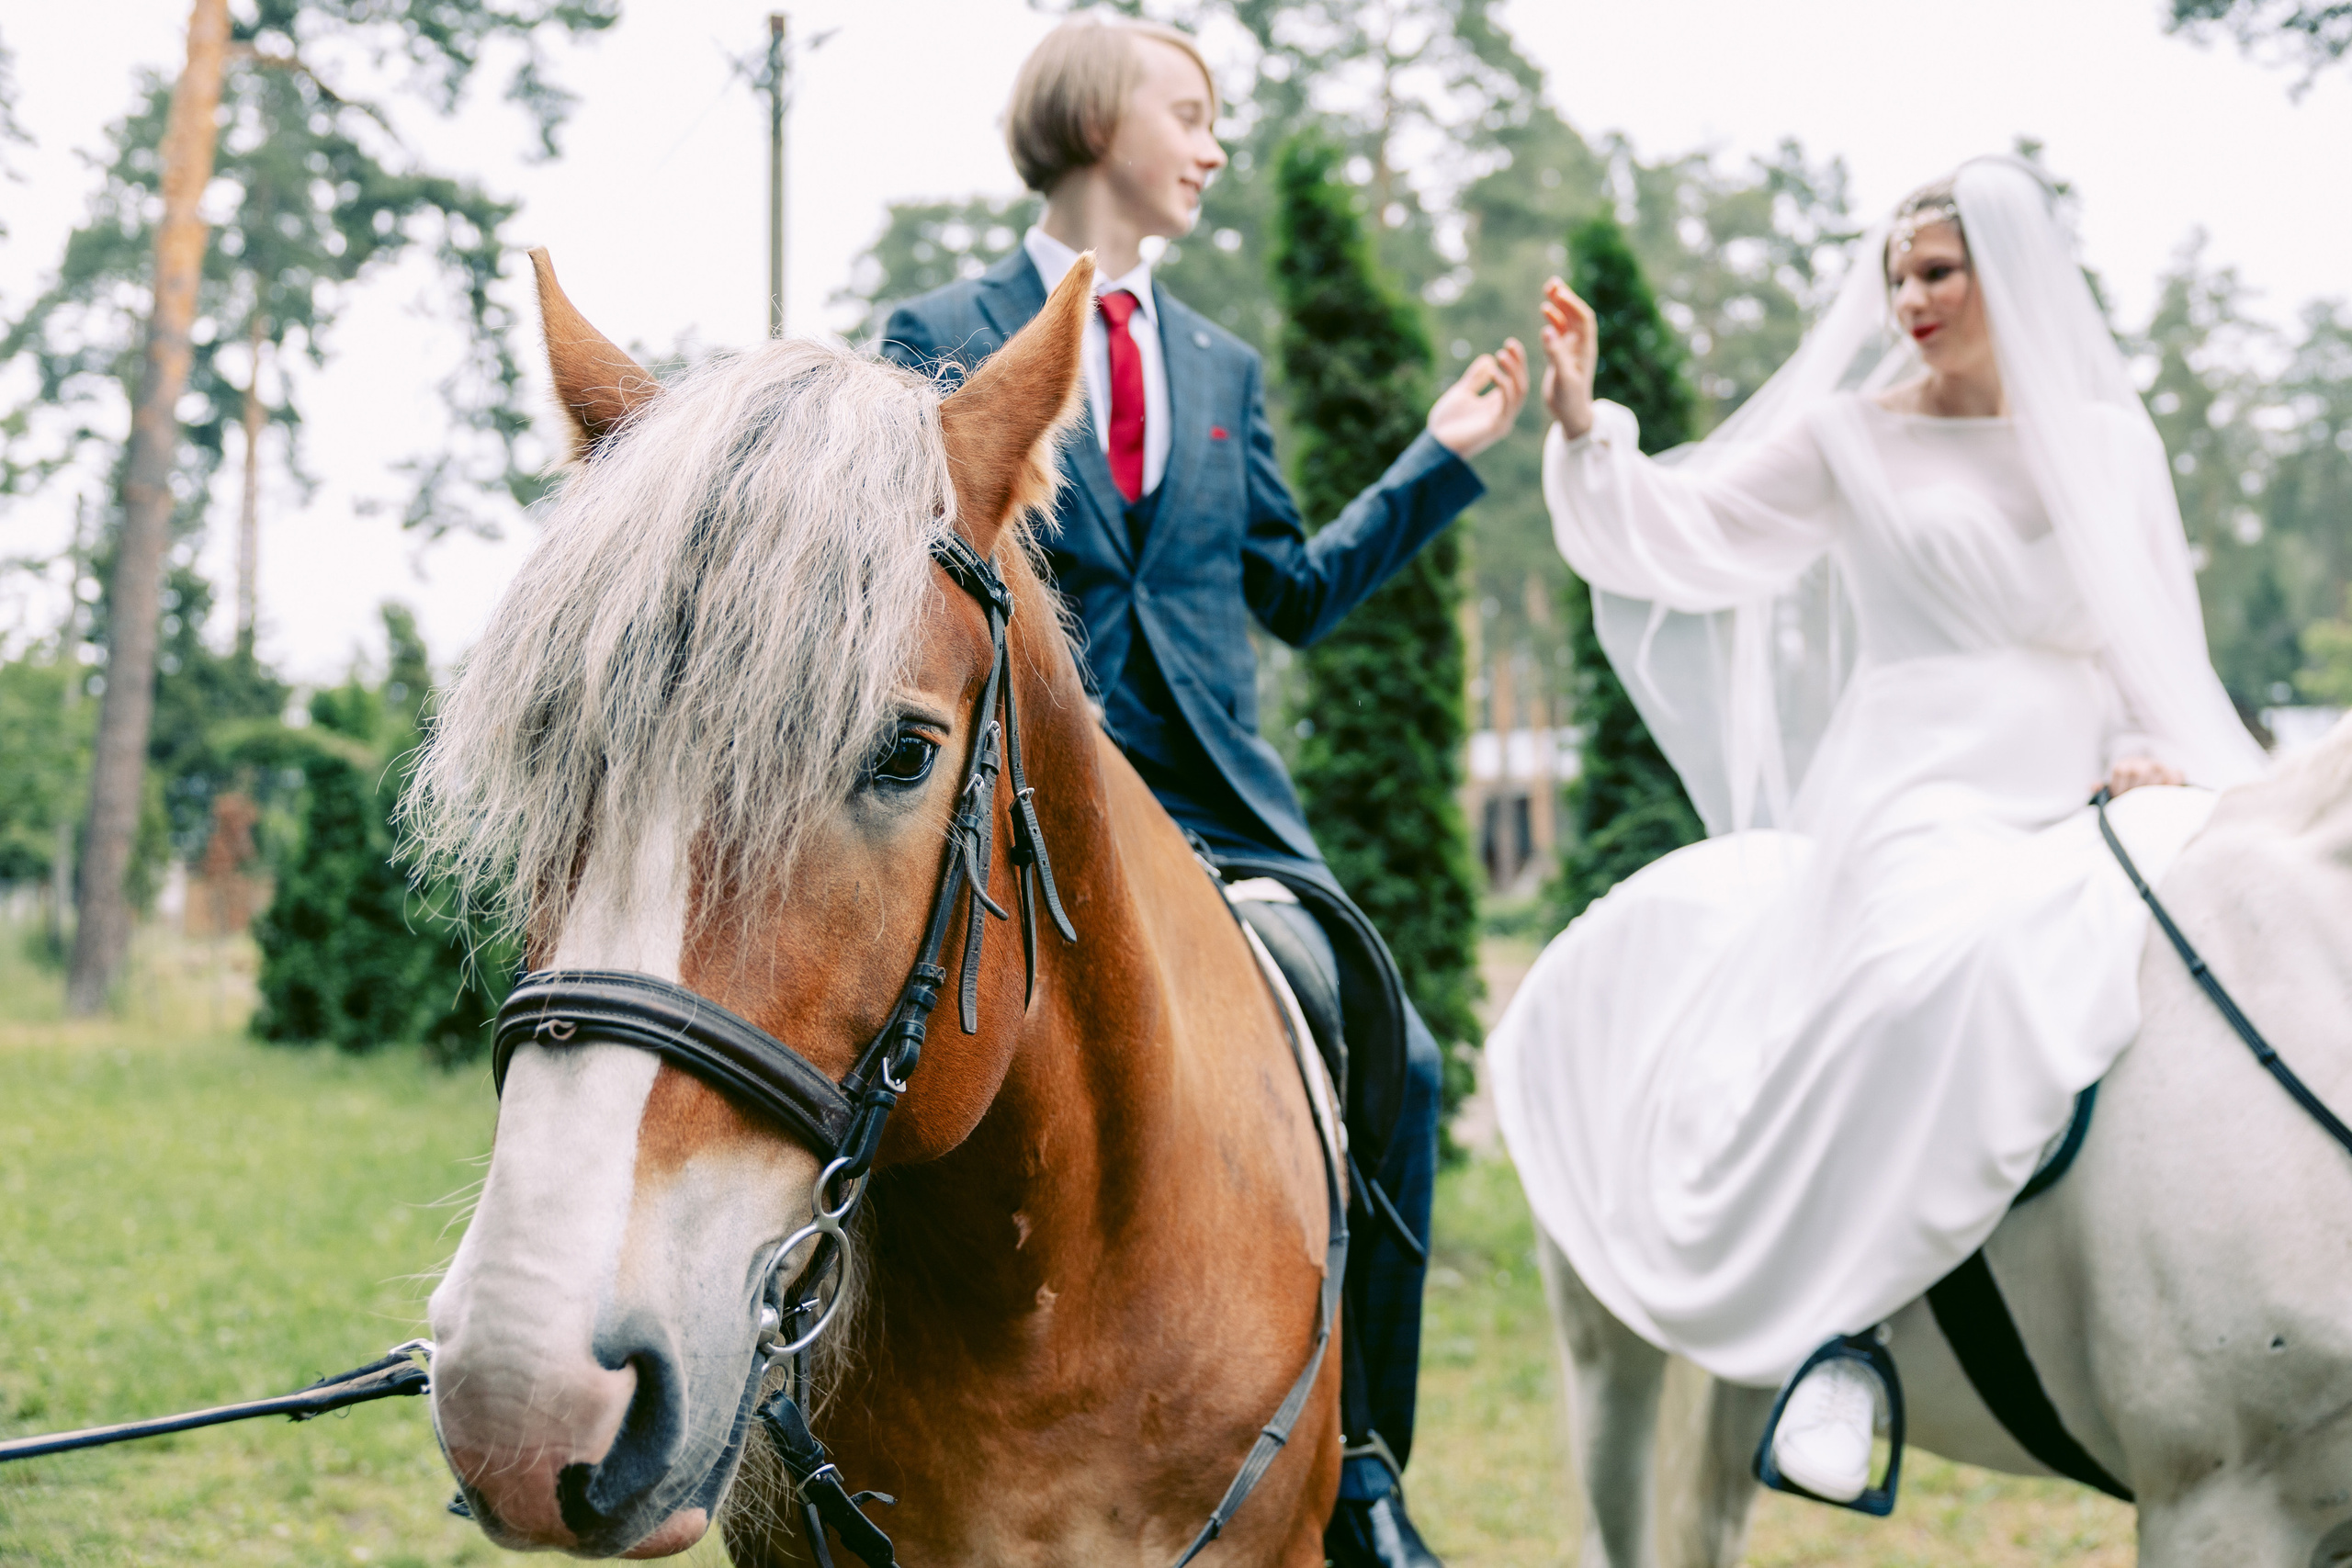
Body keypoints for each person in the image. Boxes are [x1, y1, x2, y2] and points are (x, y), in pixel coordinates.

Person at [1487, 155, 2268, 1506]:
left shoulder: (2115, 446)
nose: (1908, 297)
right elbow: (1686, 531)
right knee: (1907, 980)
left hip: (2090, 776)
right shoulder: (1852, 436)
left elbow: (2153, 639)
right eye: (1895, 273)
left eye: (1937, 270)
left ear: (2009, 277)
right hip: (1918, 788)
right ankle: (1840, 1344)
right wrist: (1584, 427)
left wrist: (2148, 749)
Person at [877, 14, 1527, 1565]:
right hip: (1024, 800)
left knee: (1410, 1068)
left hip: (1227, 819)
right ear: (1098, 122)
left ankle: (1361, 1464)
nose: (1215, 142)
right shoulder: (935, 328)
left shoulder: (1222, 366)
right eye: (1191, 109)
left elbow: (1290, 593)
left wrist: (1436, 458)